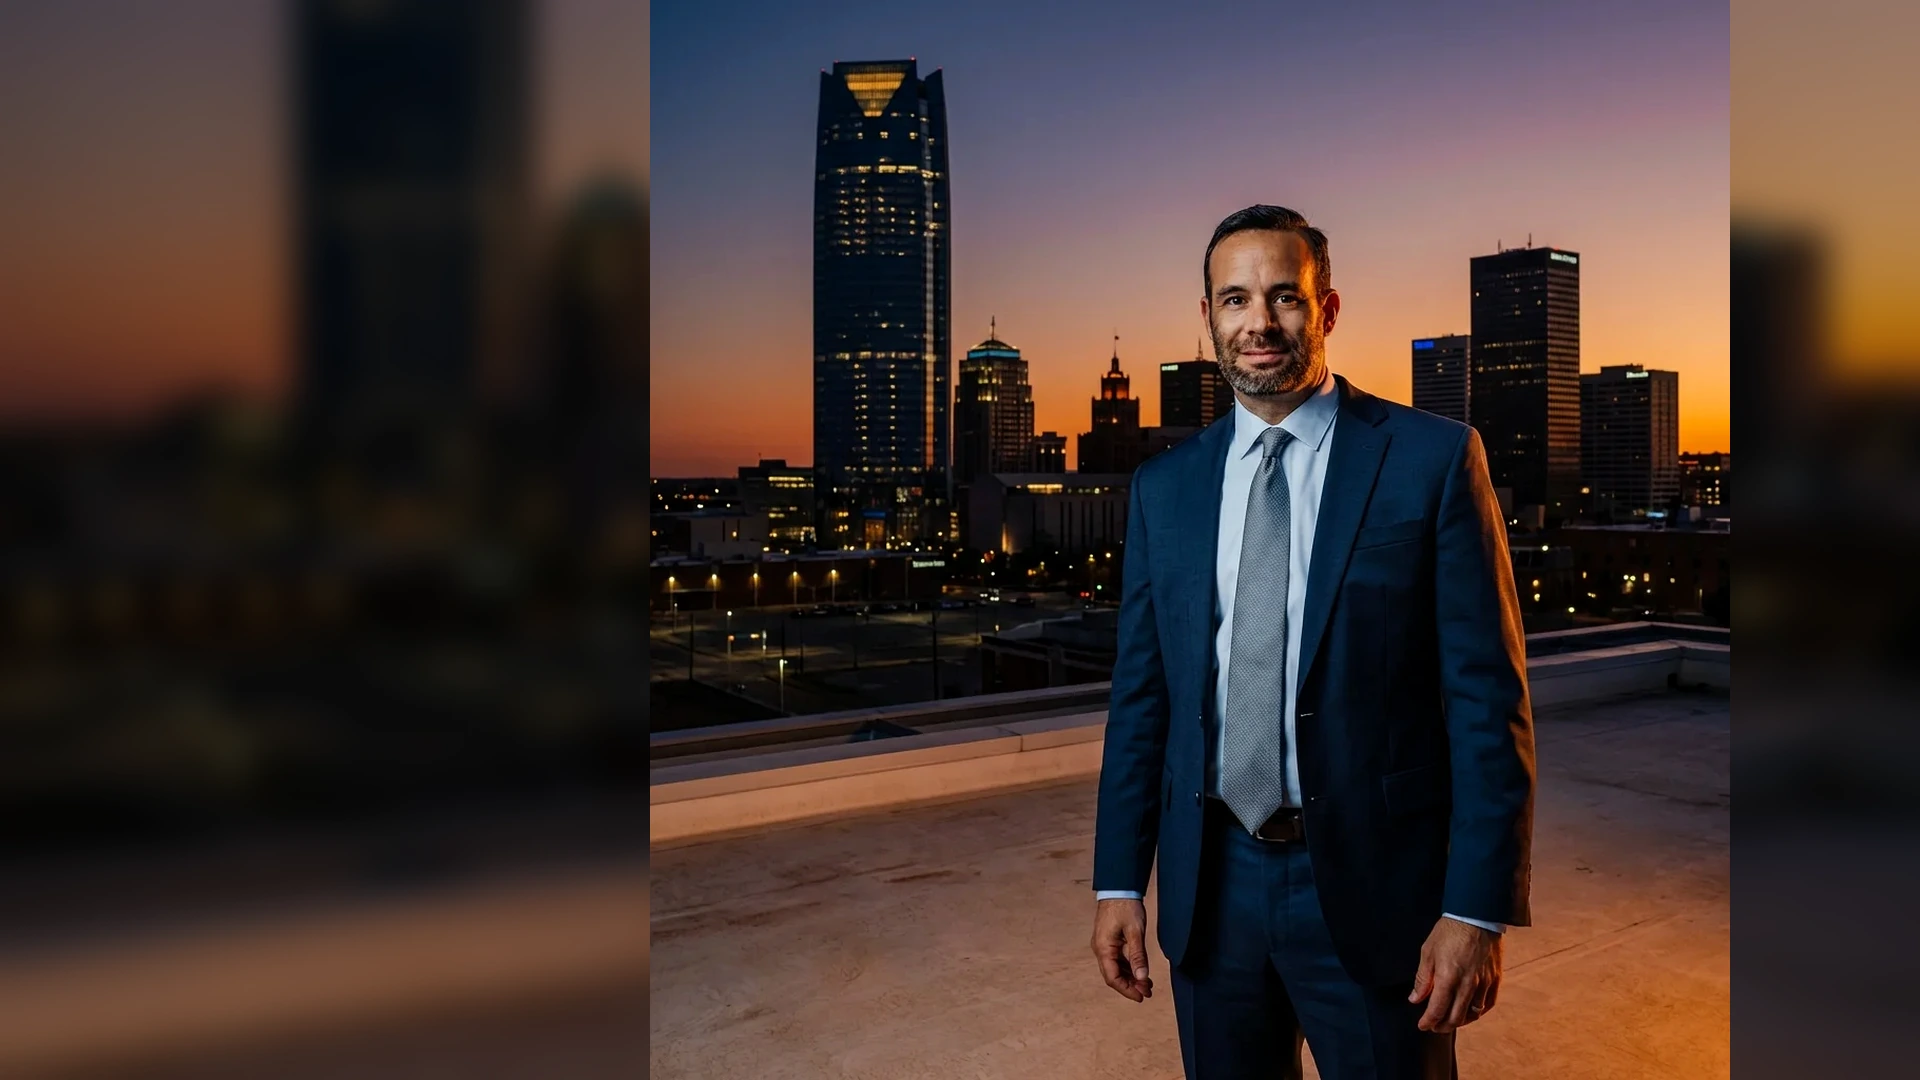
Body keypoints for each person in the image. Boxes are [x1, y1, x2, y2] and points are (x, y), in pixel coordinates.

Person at [1089, 205, 1535, 1079]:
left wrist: (1476, 910)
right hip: (1210, 893)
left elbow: (1488, 704)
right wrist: (1117, 882)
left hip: (1379, 894)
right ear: (1210, 318)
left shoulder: (1431, 459)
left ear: (1326, 310)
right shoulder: (1165, 489)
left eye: (1285, 298)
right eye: (1234, 300)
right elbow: (1143, 702)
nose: (1259, 323)